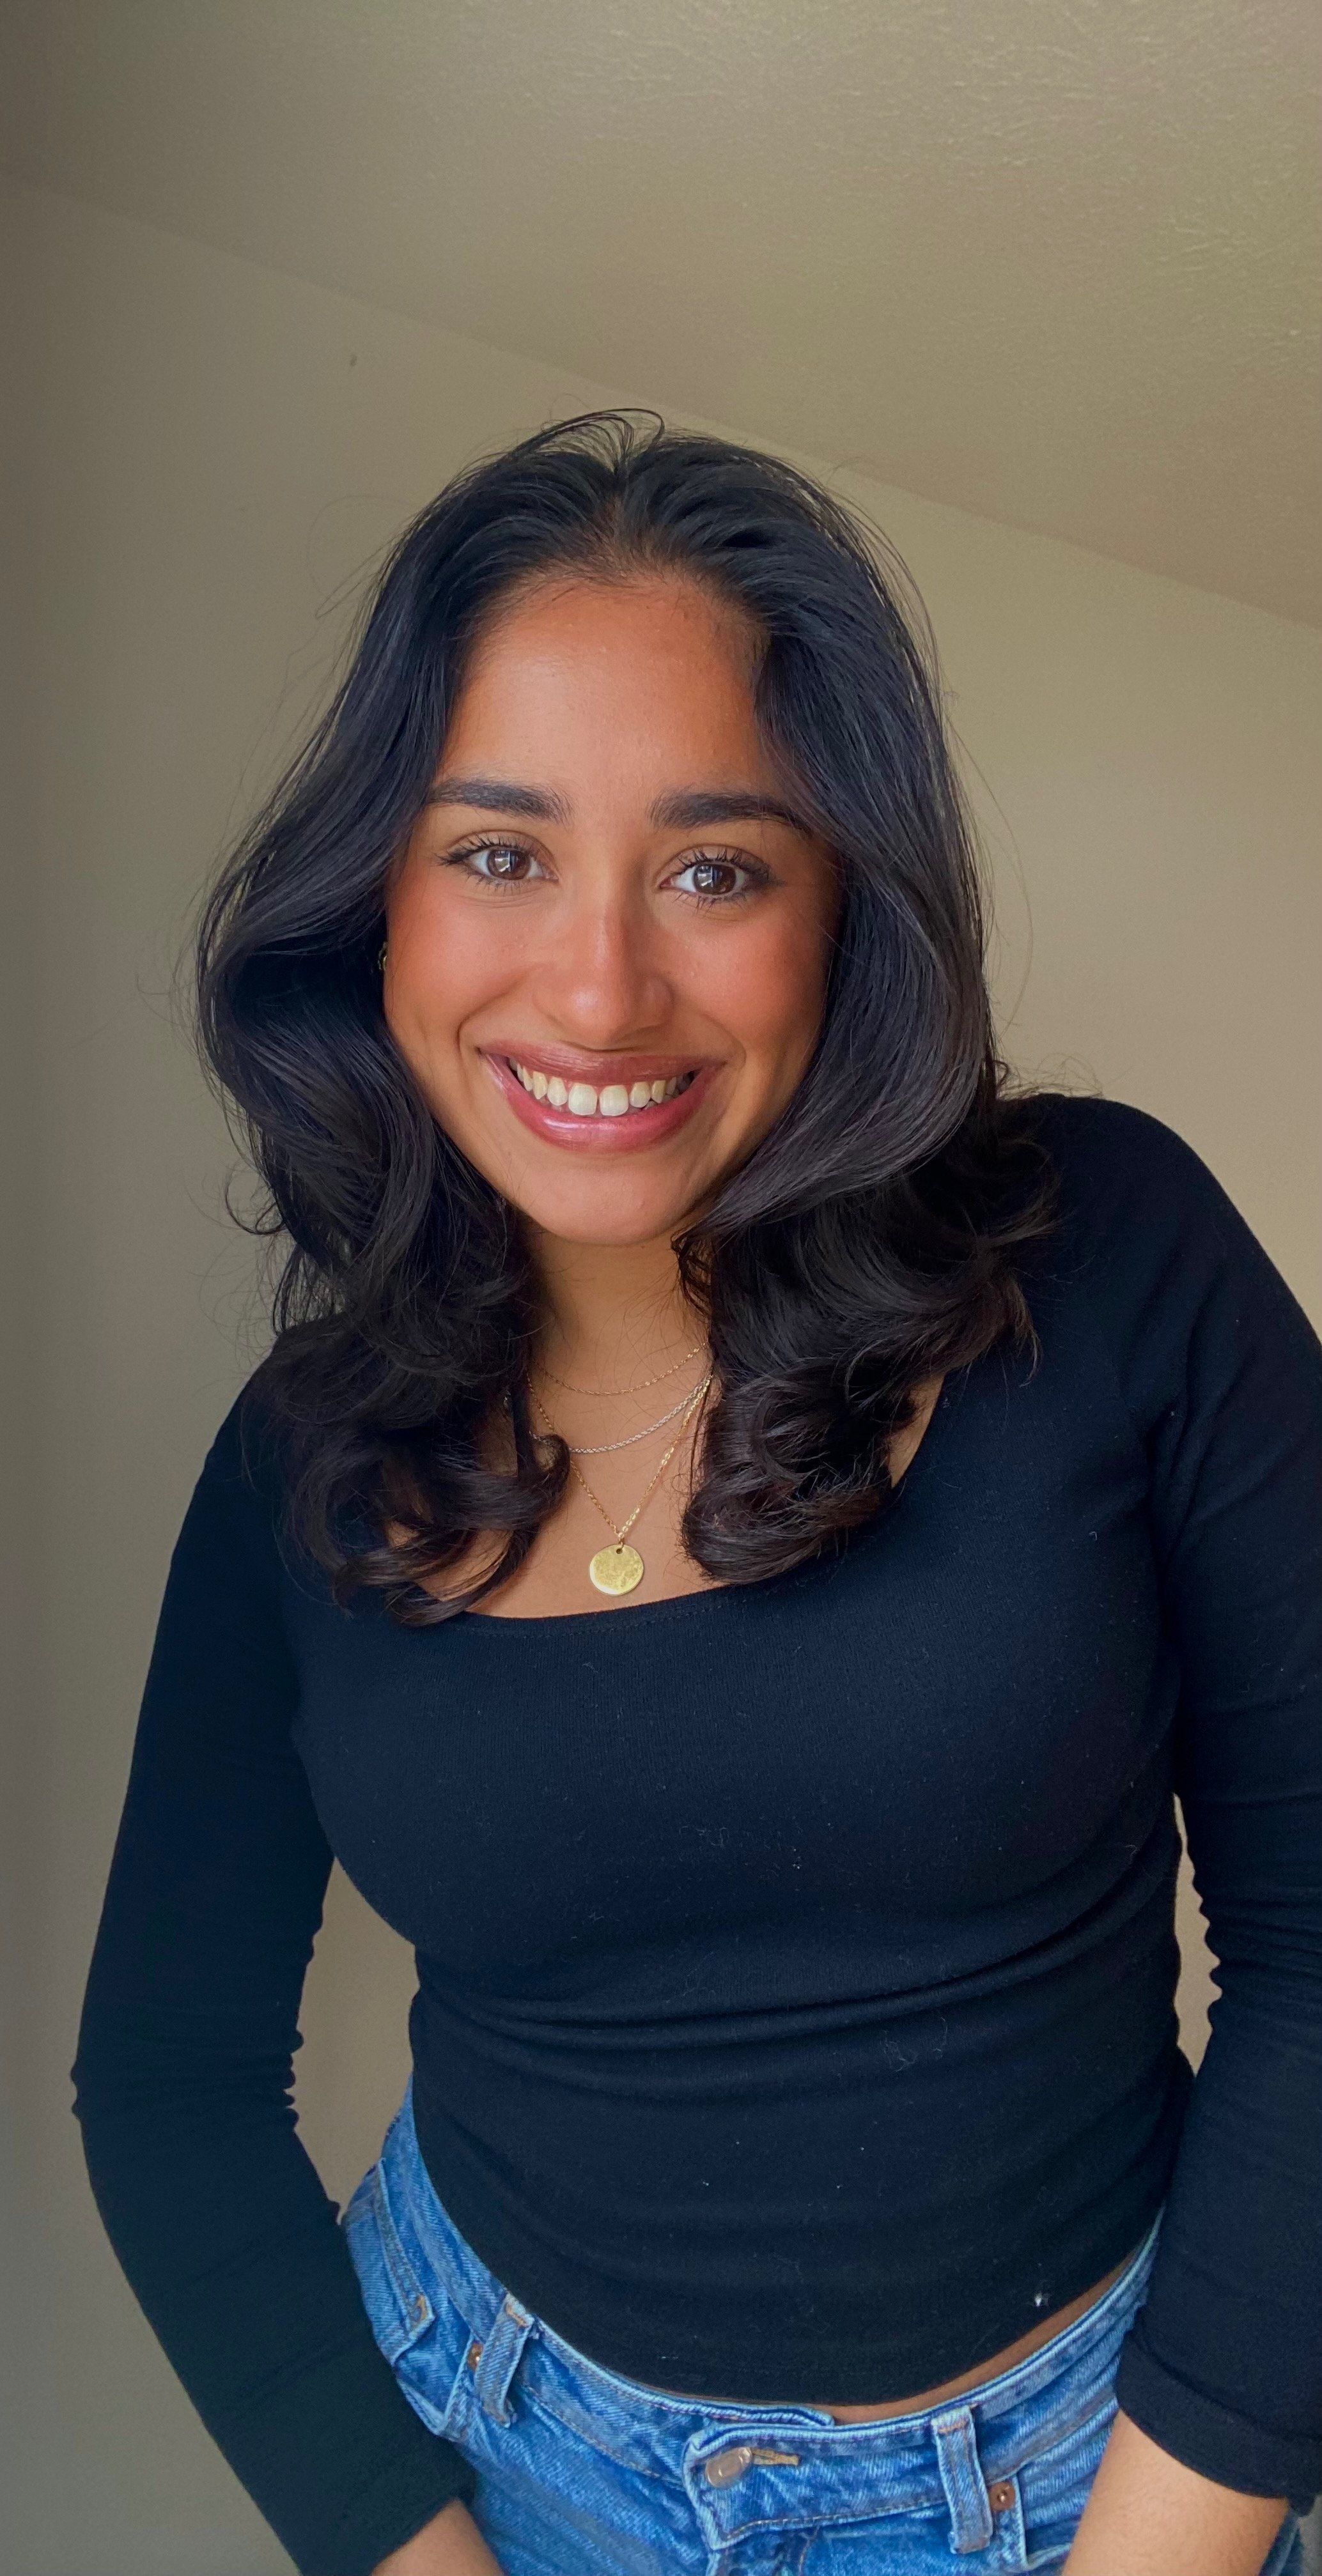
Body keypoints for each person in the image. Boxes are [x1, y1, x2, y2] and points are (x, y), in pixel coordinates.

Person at [74, 413, 1320, 2576]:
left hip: (1116, 2475)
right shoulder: (302, 1456)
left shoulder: (1105, 1249)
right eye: (496, 851)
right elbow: (168, 2086)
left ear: (846, 906)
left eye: (715, 868)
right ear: (375, 892)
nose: (594, 986)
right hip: (500, 2455)